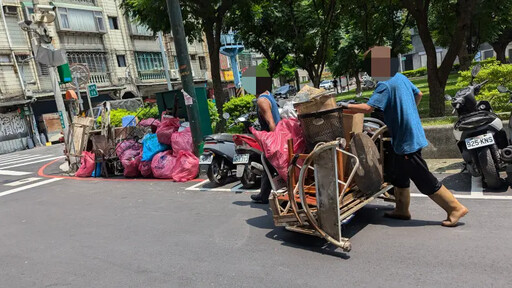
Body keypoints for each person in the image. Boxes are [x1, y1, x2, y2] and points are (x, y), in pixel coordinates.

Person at [340, 71, 468, 227]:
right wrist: (408, 112)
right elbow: (419, 94)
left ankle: (455, 208)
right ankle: (402, 210)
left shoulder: (384, 84)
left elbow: (368, 108)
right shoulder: (400, 77)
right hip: (411, 132)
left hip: (406, 138)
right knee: (399, 174)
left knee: (422, 176)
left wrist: (345, 105)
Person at [250, 90, 281, 204]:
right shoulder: (268, 95)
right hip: (277, 135)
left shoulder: (262, 100)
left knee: (270, 167)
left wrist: (275, 142)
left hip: (272, 138)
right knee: (268, 167)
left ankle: (264, 195)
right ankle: (263, 195)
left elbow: (271, 122)